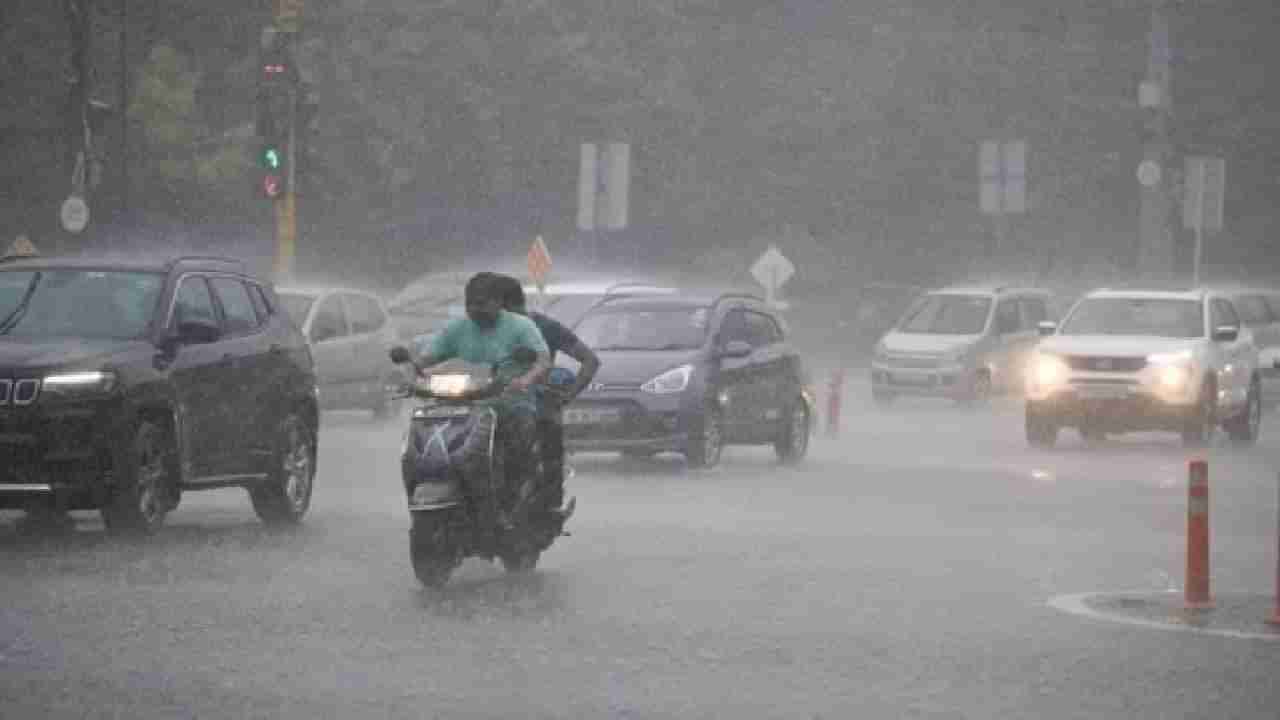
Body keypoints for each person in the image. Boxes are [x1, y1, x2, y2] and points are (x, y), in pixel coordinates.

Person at [395, 272, 550, 523]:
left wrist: (524, 380)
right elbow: (428, 357)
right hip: (464, 404)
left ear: (498, 302)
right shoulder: (457, 328)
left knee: (519, 438)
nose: (476, 309)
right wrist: (410, 373)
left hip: (509, 401)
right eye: (471, 304)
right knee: (426, 434)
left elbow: (542, 360)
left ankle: (516, 498)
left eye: (482, 303)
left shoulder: (521, 326)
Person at [491, 275, 600, 512]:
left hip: (537, 405)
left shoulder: (546, 327)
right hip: (493, 406)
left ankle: (551, 506)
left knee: (549, 437)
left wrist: (568, 395)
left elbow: (590, 360)